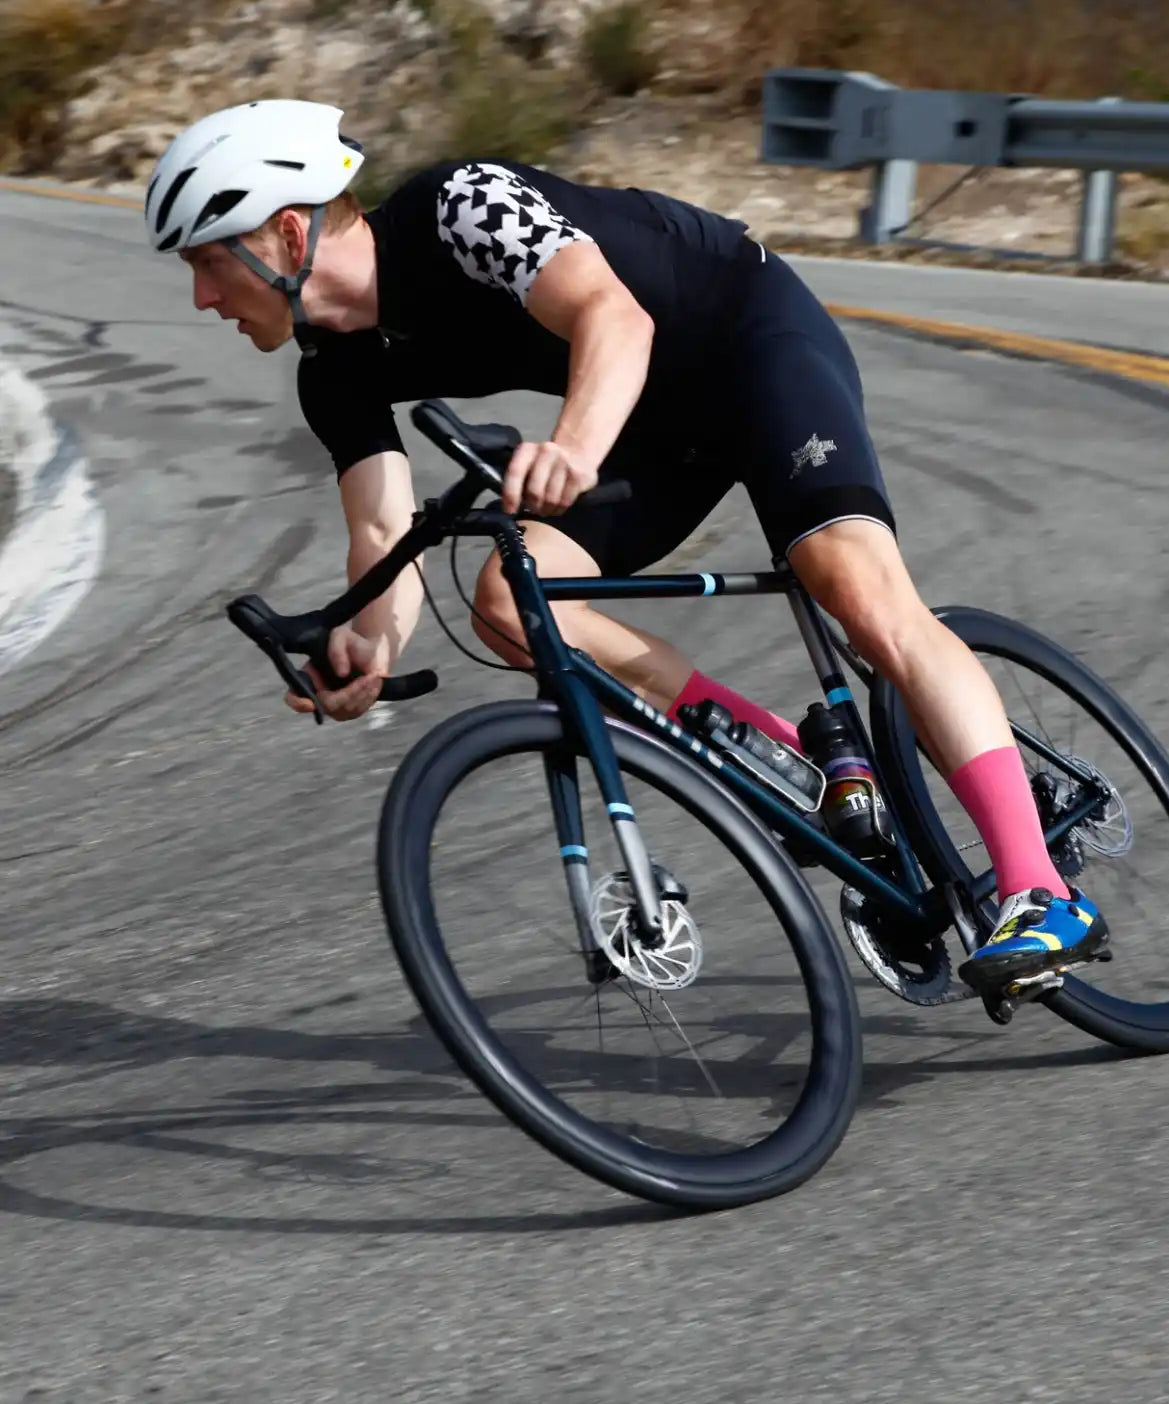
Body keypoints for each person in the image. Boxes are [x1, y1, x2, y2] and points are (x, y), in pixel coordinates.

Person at [143, 98, 1109, 996]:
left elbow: (613, 313)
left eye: (207, 260)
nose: (200, 296)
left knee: (853, 587)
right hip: (652, 423)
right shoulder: (332, 372)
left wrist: (570, 450)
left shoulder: (459, 205)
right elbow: (381, 531)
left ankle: (1040, 894)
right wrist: (370, 644)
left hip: (747, 340)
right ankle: (792, 765)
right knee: (512, 600)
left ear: (287, 232)